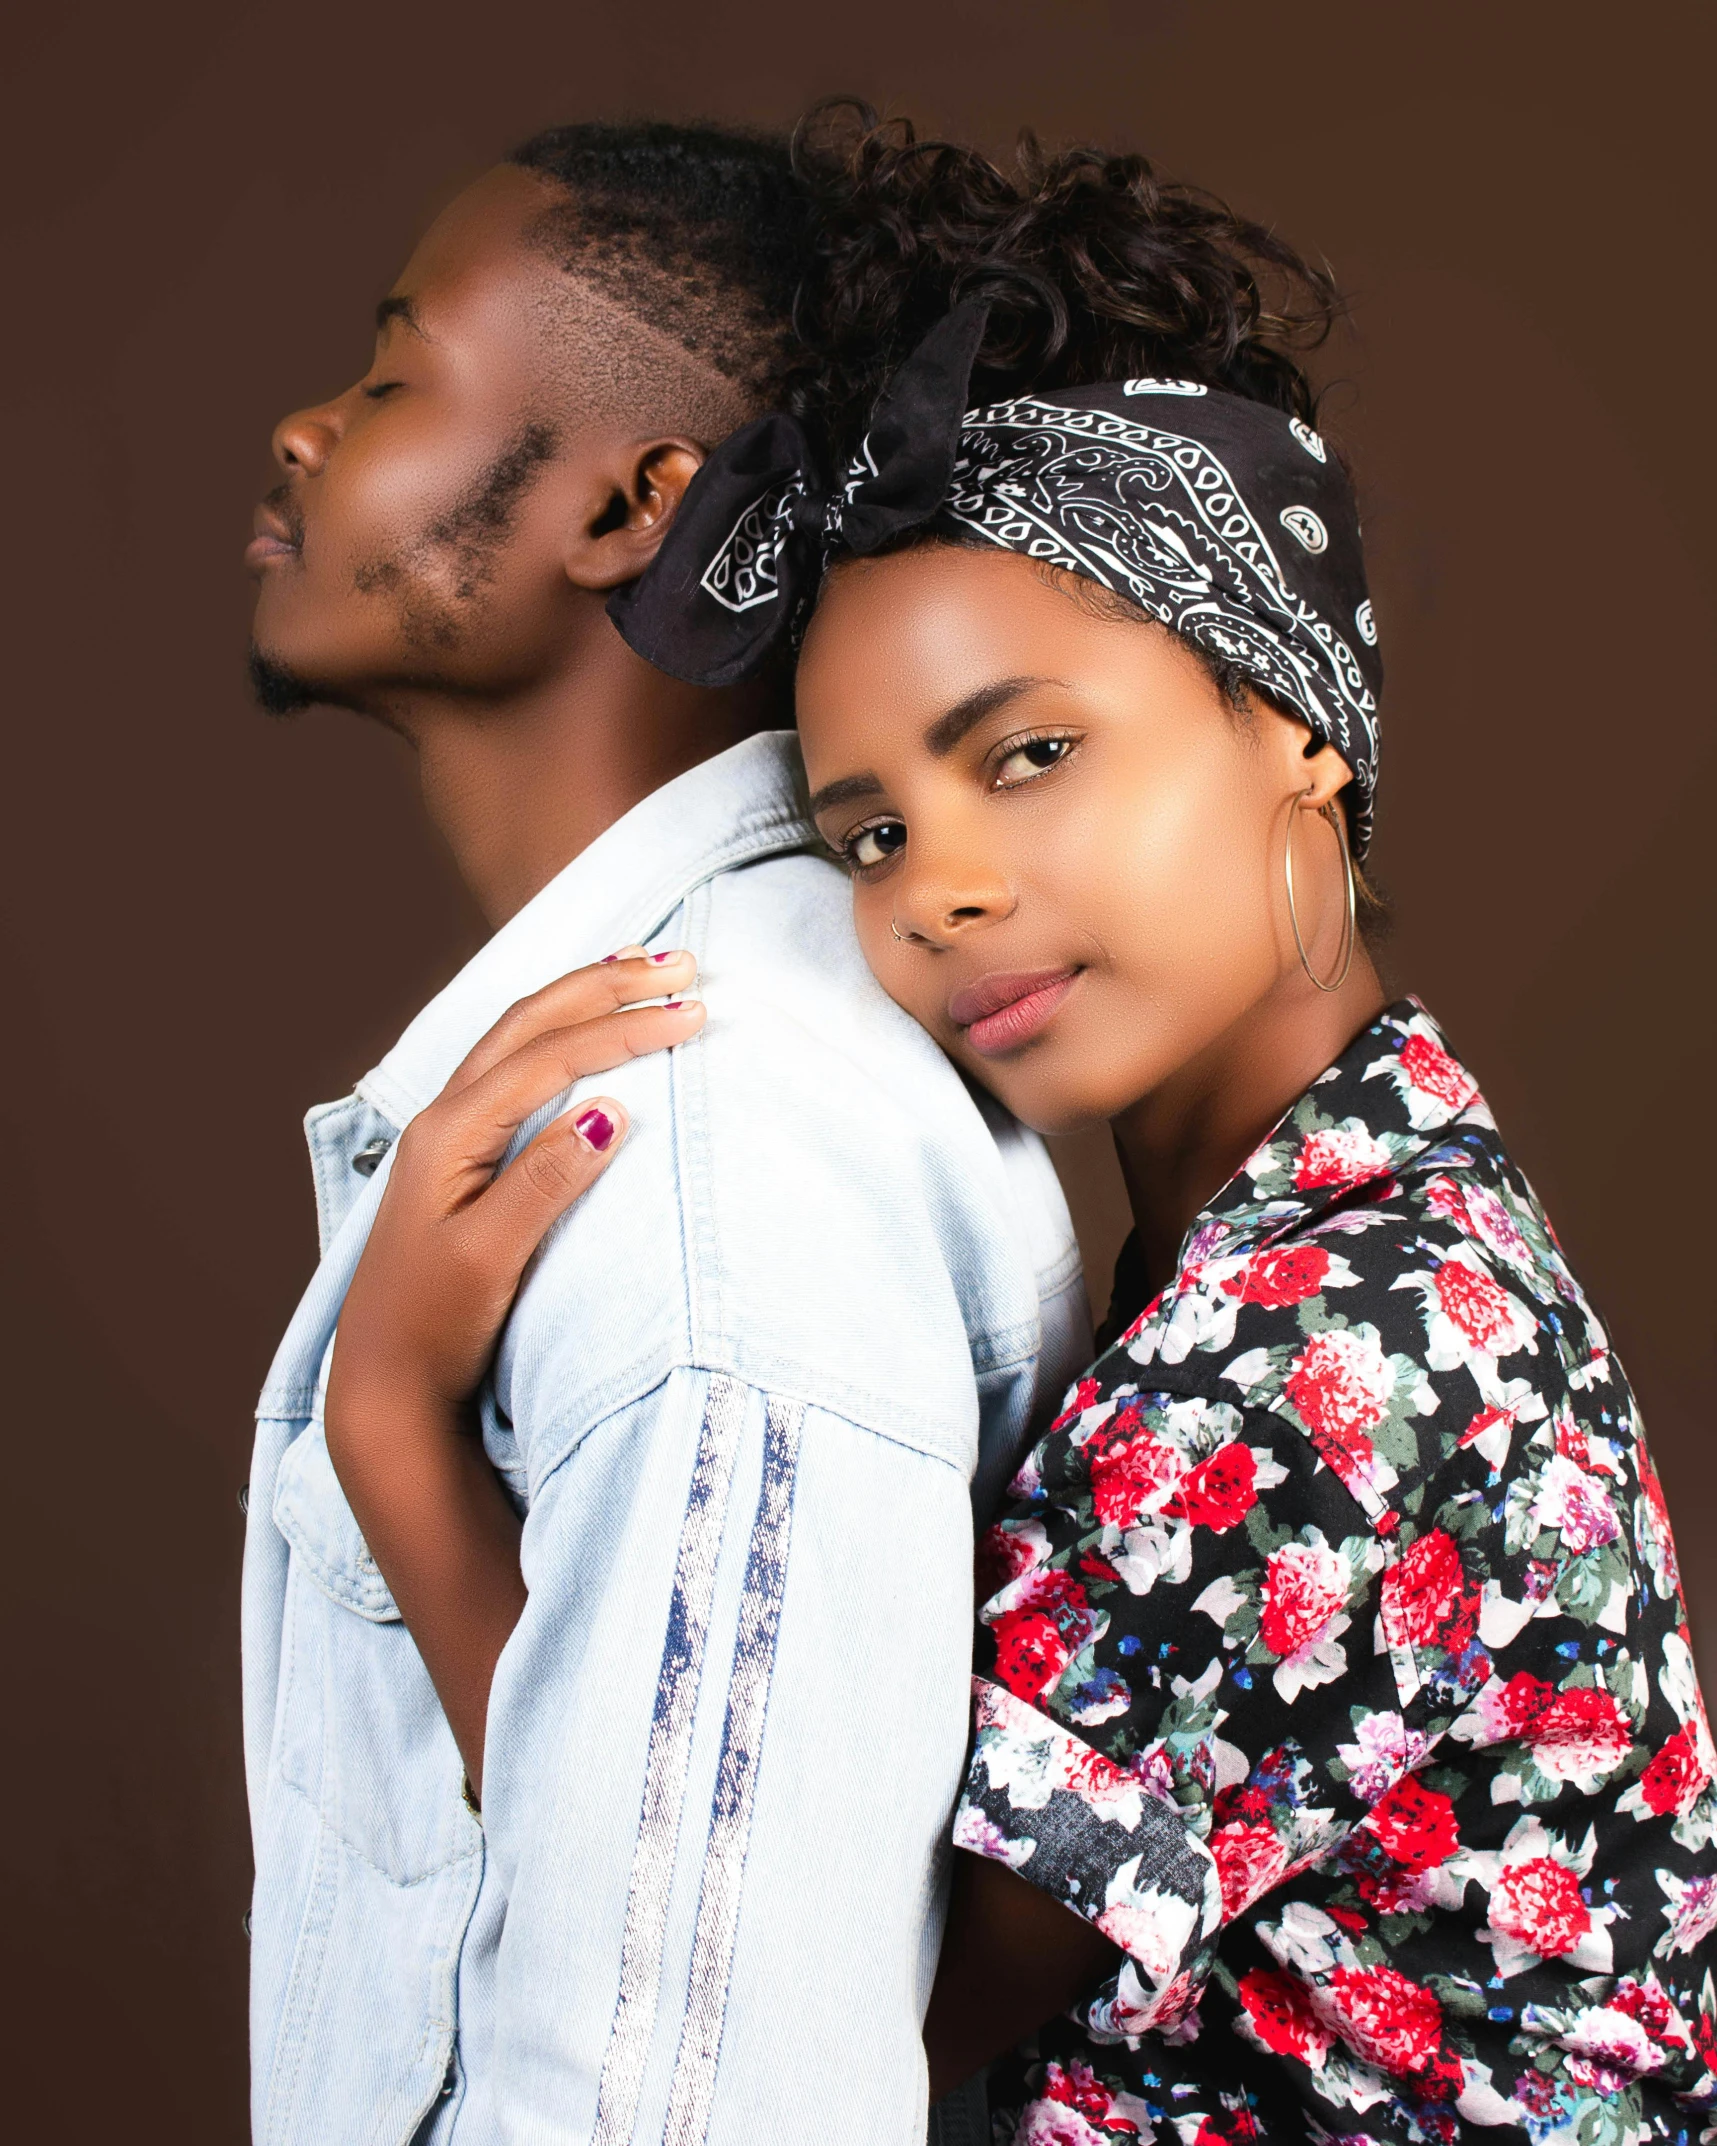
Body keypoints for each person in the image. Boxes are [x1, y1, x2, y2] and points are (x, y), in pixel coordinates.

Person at [367, 112, 1717, 2143]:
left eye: (1032, 752)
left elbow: (788, 1993)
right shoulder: (1328, 1217)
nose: (940, 888)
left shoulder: (1339, 1350)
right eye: (872, 831)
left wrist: (396, 1424)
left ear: (1302, 729)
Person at [240, 119, 1087, 2146]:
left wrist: (394, 1433)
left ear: (636, 504)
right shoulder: (688, 1073)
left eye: (385, 377)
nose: (296, 430)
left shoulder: (703, 1147)